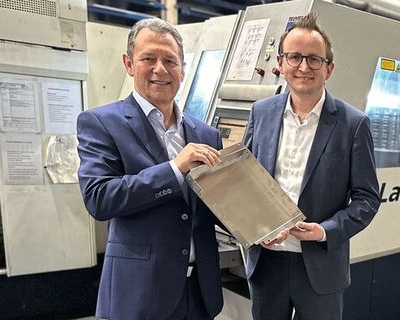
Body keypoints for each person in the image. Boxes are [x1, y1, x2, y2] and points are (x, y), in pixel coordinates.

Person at [77, 17, 224, 320]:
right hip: (140, 294)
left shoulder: (207, 135)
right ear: (129, 63)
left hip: (199, 292)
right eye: (148, 59)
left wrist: (261, 224)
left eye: (170, 61)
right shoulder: (101, 123)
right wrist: (174, 168)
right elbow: (100, 198)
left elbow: (218, 204)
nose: (160, 69)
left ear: (183, 70)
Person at [242, 12, 381, 320]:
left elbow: (367, 200)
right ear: (280, 63)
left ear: (328, 69)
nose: (303, 67)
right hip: (267, 263)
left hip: (321, 266)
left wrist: (323, 231)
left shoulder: (353, 124)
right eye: (294, 57)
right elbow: (245, 182)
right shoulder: (261, 113)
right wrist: (255, 228)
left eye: (314, 59)